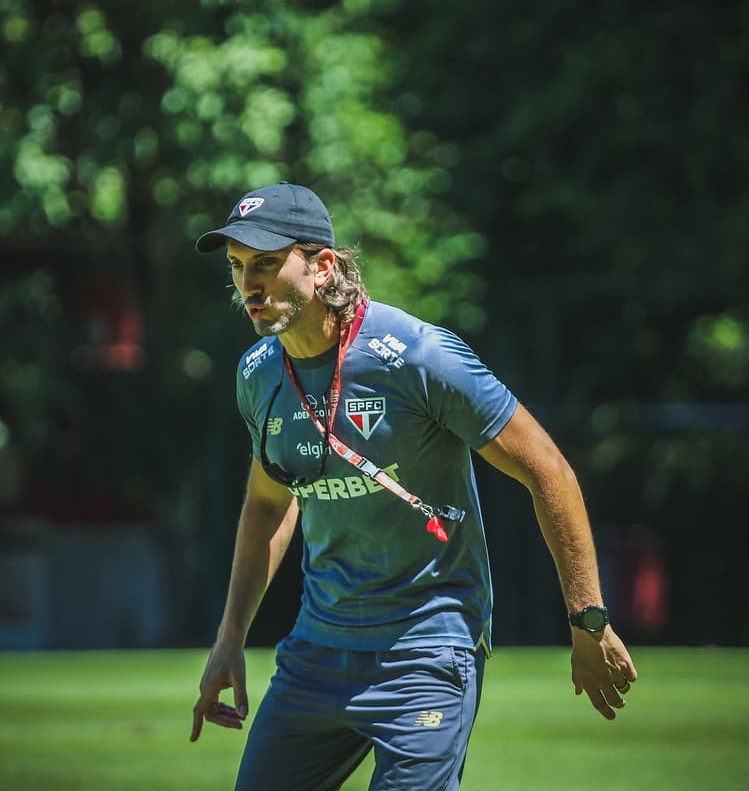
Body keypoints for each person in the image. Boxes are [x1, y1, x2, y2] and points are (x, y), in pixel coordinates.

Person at [190, 181, 637, 790]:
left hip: (426, 654)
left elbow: (549, 471)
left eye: (267, 263)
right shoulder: (258, 374)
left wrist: (589, 621)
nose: (249, 284)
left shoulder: (420, 358)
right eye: (239, 267)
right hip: (315, 654)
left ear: (322, 268)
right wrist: (229, 639)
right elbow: (269, 504)